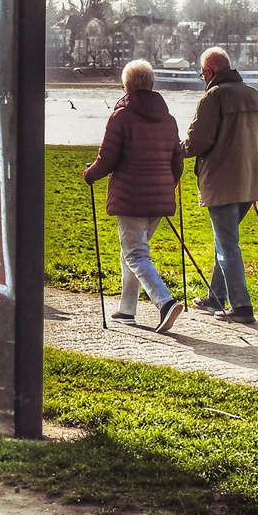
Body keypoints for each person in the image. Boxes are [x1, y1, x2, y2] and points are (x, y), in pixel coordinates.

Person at [81, 59, 186, 333]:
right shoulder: (169, 118)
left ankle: (165, 303)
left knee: (136, 254)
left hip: (131, 196)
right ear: (151, 84)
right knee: (134, 252)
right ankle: (127, 310)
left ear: (126, 85)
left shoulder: (121, 116)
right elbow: (177, 162)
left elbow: (107, 158)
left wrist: (90, 174)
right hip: (160, 198)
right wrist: (167, 185)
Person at [182, 47, 258, 325]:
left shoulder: (213, 97)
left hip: (222, 183)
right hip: (250, 183)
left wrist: (175, 152)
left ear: (210, 72)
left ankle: (241, 306)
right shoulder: (255, 95)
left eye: (203, 73)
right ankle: (216, 297)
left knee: (227, 244)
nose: (203, 78)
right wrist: (257, 172)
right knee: (225, 239)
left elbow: (198, 141)